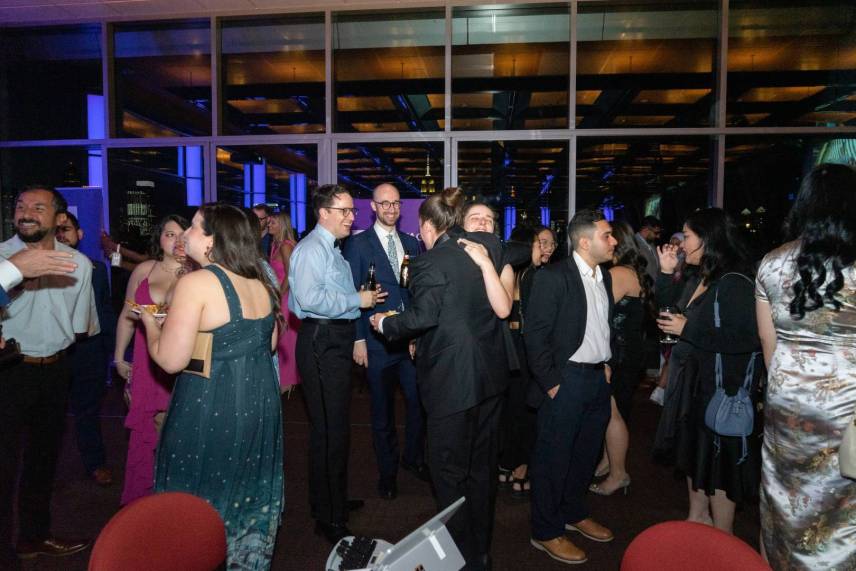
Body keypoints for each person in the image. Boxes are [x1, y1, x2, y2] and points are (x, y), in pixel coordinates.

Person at [368, 186, 509, 571]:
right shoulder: (486, 246)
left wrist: (386, 323)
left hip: (452, 383)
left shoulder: (428, 262)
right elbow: (458, 309)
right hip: (490, 378)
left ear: (429, 226)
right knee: (481, 471)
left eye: (421, 230)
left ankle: (461, 557)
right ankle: (481, 551)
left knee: (447, 472)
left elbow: (424, 316)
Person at [136, 203, 283, 569]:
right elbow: (269, 345)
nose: (185, 234)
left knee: (198, 496)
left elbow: (170, 360)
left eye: (194, 228)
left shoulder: (196, 283)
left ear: (213, 241)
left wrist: (151, 325)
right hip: (258, 405)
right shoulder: (260, 281)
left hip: (211, 404)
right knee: (245, 492)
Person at [755, 163, 856, 569]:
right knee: (842, 510)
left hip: (788, 401)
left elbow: (769, 344)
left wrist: (788, 389)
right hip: (846, 406)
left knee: (782, 497)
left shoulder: (772, 262)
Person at [0, 186, 98, 565]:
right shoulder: (2, 259)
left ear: (59, 218)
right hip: (8, 372)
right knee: (4, 466)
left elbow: (79, 327)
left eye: (38, 207)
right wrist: (17, 280)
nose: (26, 213)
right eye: (21, 206)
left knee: (43, 461)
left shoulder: (79, 264)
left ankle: (34, 537)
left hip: (56, 370)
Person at [655, 207, 762, 534]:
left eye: (687, 236)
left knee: (719, 465)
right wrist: (665, 274)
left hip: (721, 387)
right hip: (697, 382)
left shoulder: (734, 282)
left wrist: (688, 330)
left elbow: (748, 339)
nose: (681, 244)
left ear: (708, 239)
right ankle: (697, 519)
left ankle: (721, 538)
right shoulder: (702, 277)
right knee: (697, 456)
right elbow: (668, 313)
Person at [288, 184, 383, 543]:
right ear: (323, 213)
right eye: (344, 211)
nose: (351, 217)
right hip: (322, 340)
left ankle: (332, 501)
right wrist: (358, 300)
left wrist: (358, 298)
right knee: (329, 430)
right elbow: (308, 299)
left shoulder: (331, 248)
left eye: (352, 211)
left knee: (334, 427)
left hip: (334, 339)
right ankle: (328, 516)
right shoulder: (312, 249)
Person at [525, 209, 617, 565]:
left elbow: (603, 326)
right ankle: (545, 530)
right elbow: (535, 336)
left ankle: (573, 512)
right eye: (606, 235)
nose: (613, 241)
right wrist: (551, 384)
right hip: (565, 381)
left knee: (585, 454)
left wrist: (606, 364)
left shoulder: (603, 276)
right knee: (553, 458)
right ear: (584, 242)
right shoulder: (554, 276)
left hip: (596, 379)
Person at [343, 183, 427, 501]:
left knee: (419, 403)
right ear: (374, 207)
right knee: (382, 412)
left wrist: (417, 333)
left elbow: (416, 292)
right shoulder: (357, 244)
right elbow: (352, 293)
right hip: (376, 341)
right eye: (385, 203)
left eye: (396, 203)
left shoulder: (412, 243)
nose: (391, 209)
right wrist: (358, 339)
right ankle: (387, 472)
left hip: (408, 339)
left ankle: (413, 458)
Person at [113, 214, 189, 505]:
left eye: (182, 234)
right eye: (169, 234)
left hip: (181, 362)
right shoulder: (145, 269)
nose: (176, 240)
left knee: (179, 429)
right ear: (160, 238)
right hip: (146, 362)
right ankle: (148, 502)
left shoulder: (197, 273)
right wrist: (119, 359)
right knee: (149, 428)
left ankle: (176, 497)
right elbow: (126, 317)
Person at [590, 221, 654, 496]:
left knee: (613, 413)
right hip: (629, 352)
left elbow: (598, 315)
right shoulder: (632, 271)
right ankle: (609, 462)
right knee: (615, 411)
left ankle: (619, 474)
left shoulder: (617, 273)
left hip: (619, 354)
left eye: (606, 237)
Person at [56, 212, 116, 486]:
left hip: (89, 350)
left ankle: (95, 463)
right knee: (49, 414)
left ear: (79, 234)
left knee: (88, 411)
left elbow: (104, 309)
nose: (61, 235)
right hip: (54, 351)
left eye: (66, 229)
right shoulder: (40, 270)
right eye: (56, 230)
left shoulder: (96, 269)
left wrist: (111, 351)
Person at [497, 224, 545, 499]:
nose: (544, 249)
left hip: (506, 349)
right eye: (539, 244)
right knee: (526, 411)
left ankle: (506, 463)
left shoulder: (504, 271)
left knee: (509, 409)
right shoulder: (534, 276)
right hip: (526, 352)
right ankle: (521, 467)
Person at [267, 210, 301, 392]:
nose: (269, 225)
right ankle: (283, 380)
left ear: (282, 225)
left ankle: (287, 383)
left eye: (273, 222)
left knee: (285, 340)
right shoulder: (275, 245)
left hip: (284, 298)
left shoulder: (286, 246)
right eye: (269, 222)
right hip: (278, 296)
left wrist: (278, 296)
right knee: (280, 340)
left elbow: (290, 275)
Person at [634, 215, 662, 281]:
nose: (658, 236)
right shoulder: (634, 244)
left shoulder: (651, 243)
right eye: (656, 233)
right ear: (646, 230)